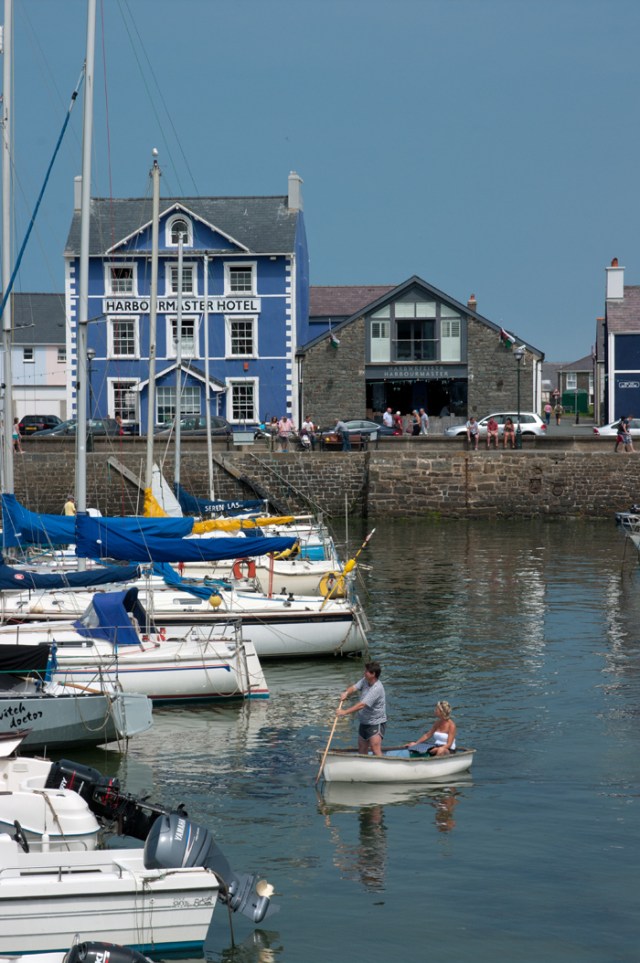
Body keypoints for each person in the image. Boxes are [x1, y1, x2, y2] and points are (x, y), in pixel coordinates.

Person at [337, 661, 386, 756]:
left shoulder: (377, 688)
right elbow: (354, 687)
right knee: (362, 748)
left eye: (366, 671)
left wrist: (345, 712)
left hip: (375, 723)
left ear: (373, 674)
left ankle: (381, 768)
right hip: (364, 722)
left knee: (375, 748)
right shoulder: (365, 680)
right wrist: (346, 693)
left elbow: (362, 705)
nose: (364, 672)